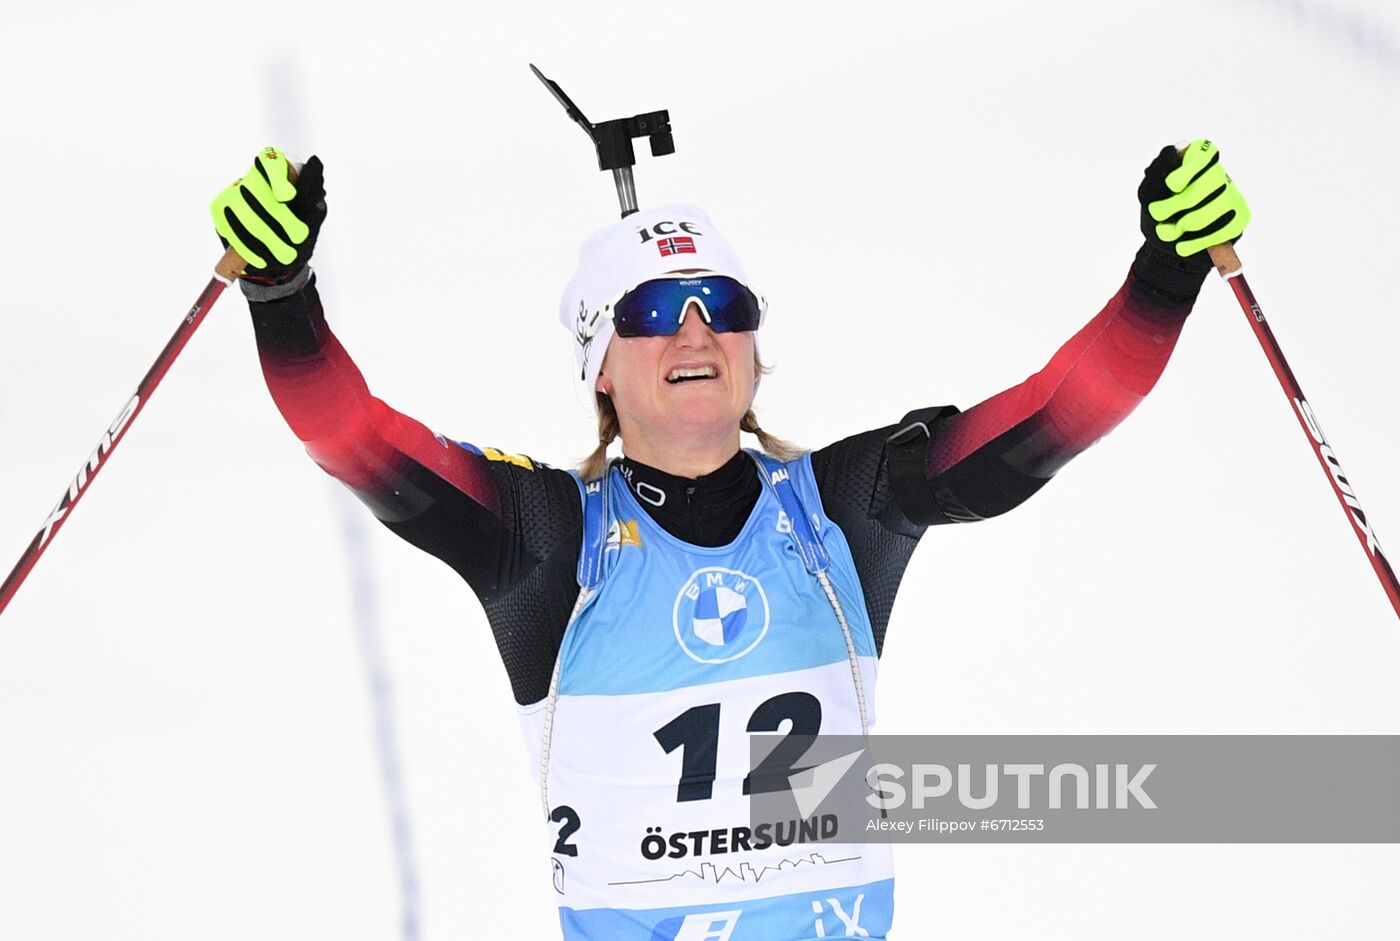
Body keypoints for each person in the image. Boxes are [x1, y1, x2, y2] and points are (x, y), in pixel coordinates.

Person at [210, 139, 1248, 940]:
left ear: (756, 349)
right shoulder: (544, 539)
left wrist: (1161, 274)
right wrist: (281, 294)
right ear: (600, 366)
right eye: (656, 307)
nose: (695, 329)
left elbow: (1054, 413)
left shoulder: (844, 504)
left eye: (724, 305)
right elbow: (347, 432)